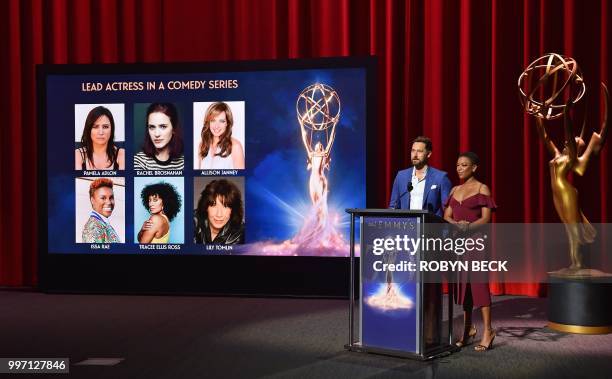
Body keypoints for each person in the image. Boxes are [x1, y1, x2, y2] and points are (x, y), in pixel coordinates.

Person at [443, 151, 497, 351]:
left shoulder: (482, 188)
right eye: (457, 165)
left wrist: (468, 227)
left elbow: (485, 219)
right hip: (458, 242)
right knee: (463, 286)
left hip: (476, 242)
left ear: (474, 167)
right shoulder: (454, 190)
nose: (459, 168)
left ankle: (488, 331)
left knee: (478, 284)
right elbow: (447, 215)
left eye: (464, 165)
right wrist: (457, 225)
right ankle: (467, 329)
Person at [389, 136, 452, 216]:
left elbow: (447, 209)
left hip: (430, 226)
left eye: (419, 151)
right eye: (413, 151)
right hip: (407, 225)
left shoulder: (440, 178)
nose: (415, 155)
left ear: (428, 154)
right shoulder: (401, 176)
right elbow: (393, 206)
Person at [134, 103, 184, 170]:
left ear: (173, 129)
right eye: (152, 127)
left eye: (163, 127)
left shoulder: (184, 163)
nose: (157, 134)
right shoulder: (139, 161)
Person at [194, 179, 245, 244]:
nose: (219, 214)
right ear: (206, 207)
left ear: (232, 209)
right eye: (213, 205)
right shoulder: (194, 221)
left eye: (225, 206)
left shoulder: (242, 233)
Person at [197, 102, 245, 169]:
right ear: (208, 122)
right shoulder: (203, 145)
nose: (216, 126)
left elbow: (241, 178)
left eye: (222, 121)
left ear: (227, 123)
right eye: (213, 120)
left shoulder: (235, 146)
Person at [75, 106, 125, 170]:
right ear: (88, 129)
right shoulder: (78, 154)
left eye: (105, 127)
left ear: (111, 129)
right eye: (95, 127)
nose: (101, 132)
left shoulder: (122, 154)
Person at [82, 178, 121, 243]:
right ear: (92, 200)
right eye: (103, 198)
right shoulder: (93, 228)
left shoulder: (102, 223)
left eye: (111, 198)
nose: (109, 202)